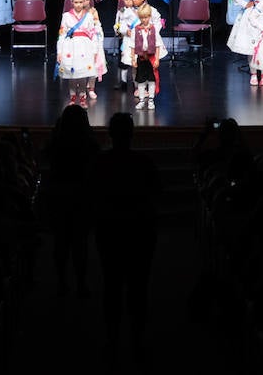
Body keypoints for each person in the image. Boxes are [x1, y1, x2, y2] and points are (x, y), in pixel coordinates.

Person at [90, 111, 162, 362]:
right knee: (138, 287)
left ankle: (113, 339)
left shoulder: (101, 163)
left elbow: (94, 194)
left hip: (110, 229)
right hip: (139, 230)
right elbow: (156, 193)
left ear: (110, 134)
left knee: (112, 285)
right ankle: (137, 338)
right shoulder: (144, 163)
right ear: (132, 134)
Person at [38, 103, 100, 299]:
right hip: (81, 196)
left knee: (61, 241)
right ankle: (80, 283)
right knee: (80, 242)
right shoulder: (89, 143)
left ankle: (62, 281)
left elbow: (43, 156)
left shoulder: (57, 142)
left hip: (59, 195)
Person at [56, 0, 107, 107]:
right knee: (72, 74)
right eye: (76, 2)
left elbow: (93, 35)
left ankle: (83, 98)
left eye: (80, 2)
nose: (78, 5)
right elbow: (62, 35)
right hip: (71, 47)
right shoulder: (66, 16)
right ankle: (73, 97)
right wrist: (59, 52)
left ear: (83, 2)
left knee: (83, 74)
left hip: (85, 47)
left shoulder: (89, 16)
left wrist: (94, 50)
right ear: (72, 3)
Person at [115, 0, 165, 91]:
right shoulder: (127, 11)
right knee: (135, 65)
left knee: (148, 64)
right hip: (132, 40)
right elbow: (122, 23)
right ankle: (137, 87)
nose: (133, 0)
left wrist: (152, 31)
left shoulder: (151, 10)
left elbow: (157, 22)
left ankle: (148, 87)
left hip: (147, 41)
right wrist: (125, 30)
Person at [131, 3, 163, 110]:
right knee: (140, 80)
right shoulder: (136, 29)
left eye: (146, 17)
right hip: (141, 58)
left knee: (151, 79)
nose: (144, 20)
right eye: (142, 18)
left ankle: (151, 100)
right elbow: (132, 45)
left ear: (150, 16)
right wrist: (133, 58)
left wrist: (157, 59)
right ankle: (141, 100)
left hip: (151, 58)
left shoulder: (153, 29)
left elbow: (158, 45)